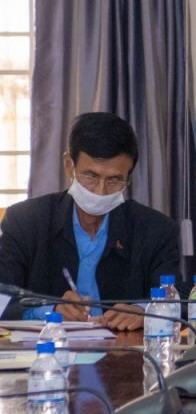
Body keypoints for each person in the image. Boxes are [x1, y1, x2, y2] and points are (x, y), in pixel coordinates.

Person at [0, 112, 180, 330]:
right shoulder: (26, 221)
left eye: (114, 180)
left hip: (124, 348)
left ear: (129, 177)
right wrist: (49, 309)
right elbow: (2, 297)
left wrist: (146, 312)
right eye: (91, 176)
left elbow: (179, 299)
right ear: (69, 165)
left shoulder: (156, 230)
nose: (100, 191)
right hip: (47, 346)